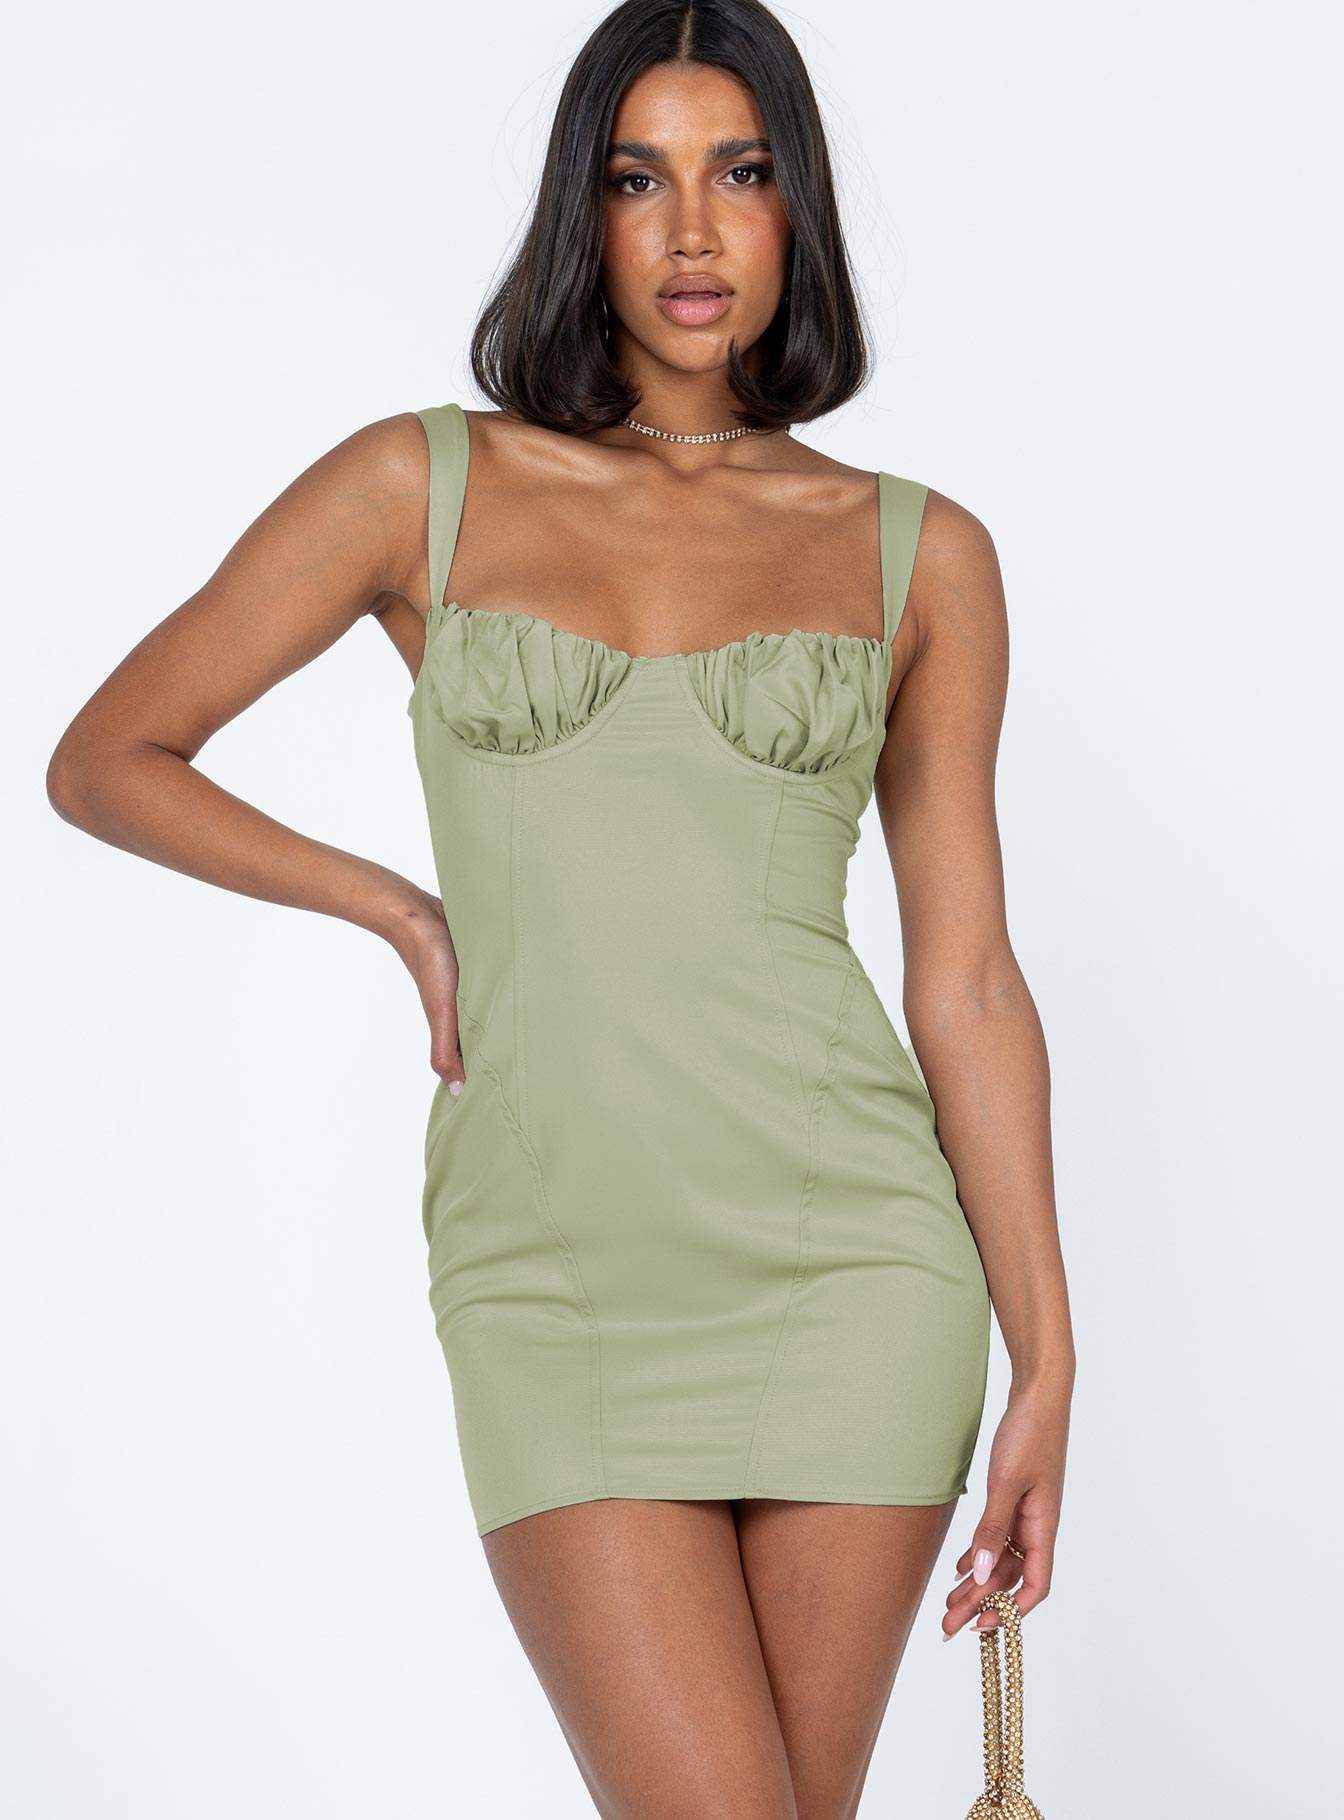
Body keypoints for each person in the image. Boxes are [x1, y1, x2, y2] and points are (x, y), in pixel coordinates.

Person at [47, 0, 1075, 1812]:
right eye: (636, 178)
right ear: (577, 212)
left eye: (739, 173)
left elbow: (970, 980)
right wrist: (397, 909)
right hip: (555, 1270)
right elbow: (110, 754)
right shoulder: (421, 484)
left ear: (798, 204)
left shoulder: (920, 551)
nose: (692, 230)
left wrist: (1047, 1358)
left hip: (855, 1263)